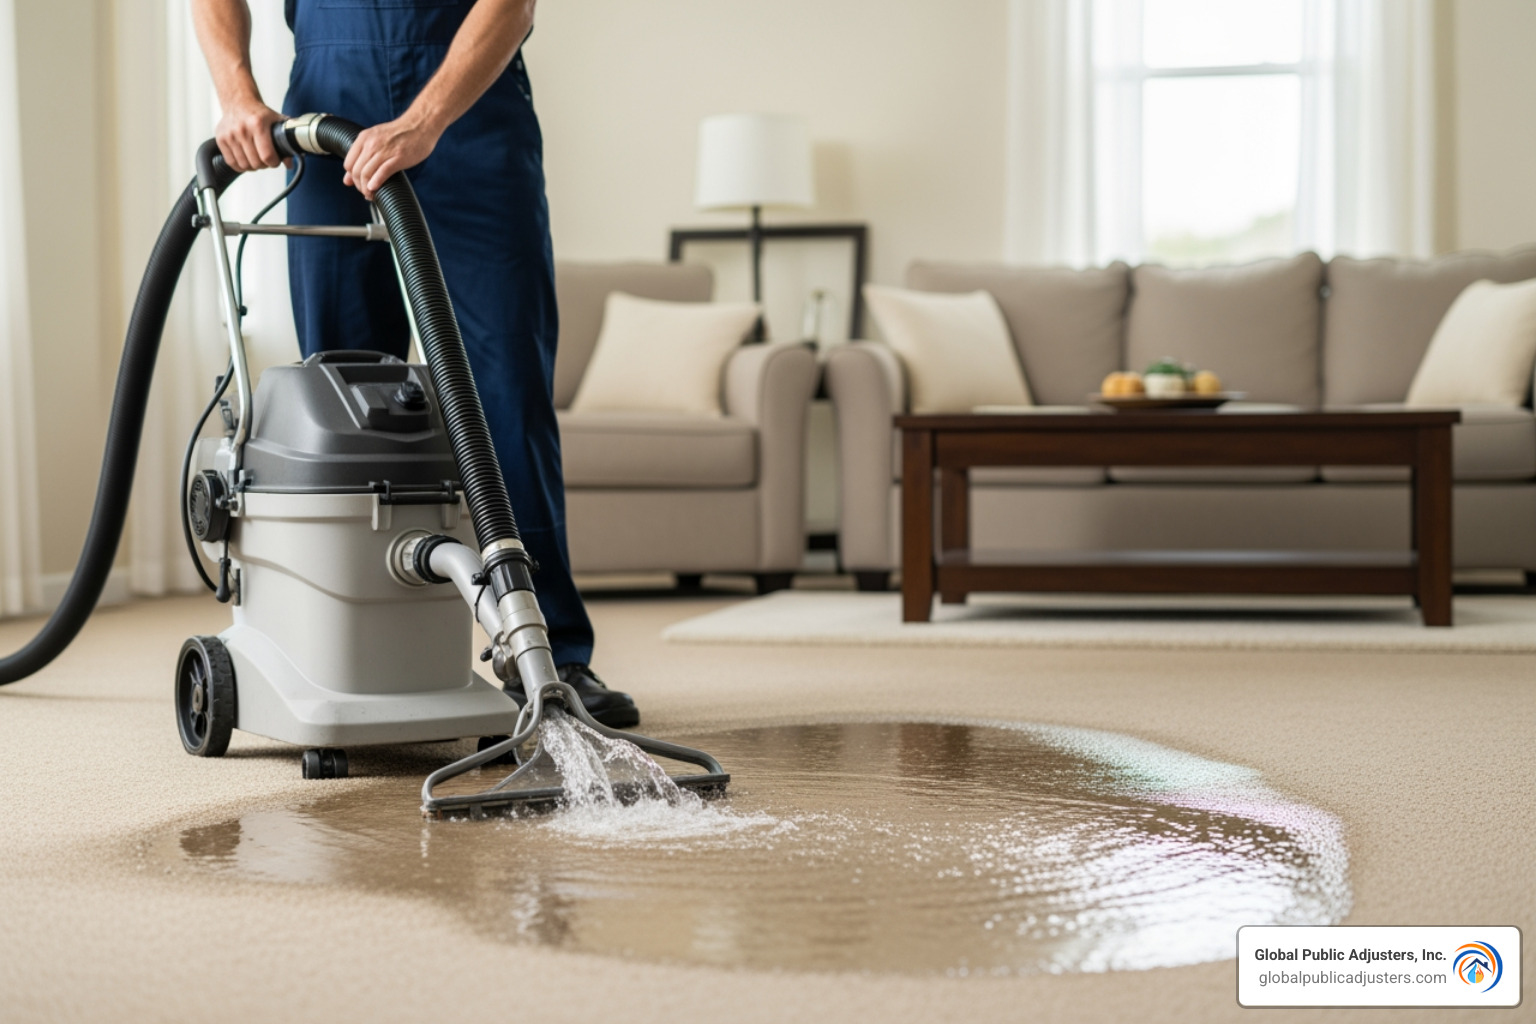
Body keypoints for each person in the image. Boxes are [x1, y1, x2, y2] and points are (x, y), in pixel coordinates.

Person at [191, 0, 639, 728]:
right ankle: (351, 648)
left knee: (506, 395)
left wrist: (425, 119)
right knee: (347, 399)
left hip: (470, 119)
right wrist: (238, 96)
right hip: (330, 111)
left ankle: (546, 652)